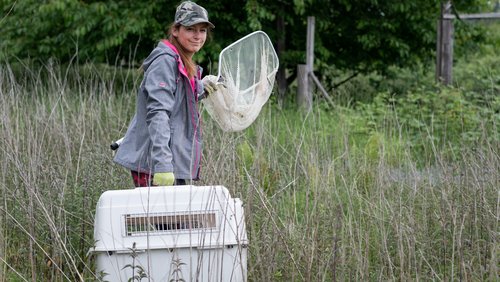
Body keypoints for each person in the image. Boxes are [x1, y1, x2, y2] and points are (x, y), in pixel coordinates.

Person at [113, 1, 218, 187]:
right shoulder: (165, 61)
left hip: (171, 162)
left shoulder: (181, 62)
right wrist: (162, 165)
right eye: (190, 29)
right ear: (176, 30)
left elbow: (177, 95)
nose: (197, 36)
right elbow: (158, 113)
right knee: (161, 218)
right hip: (155, 166)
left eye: (202, 30)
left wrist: (200, 87)